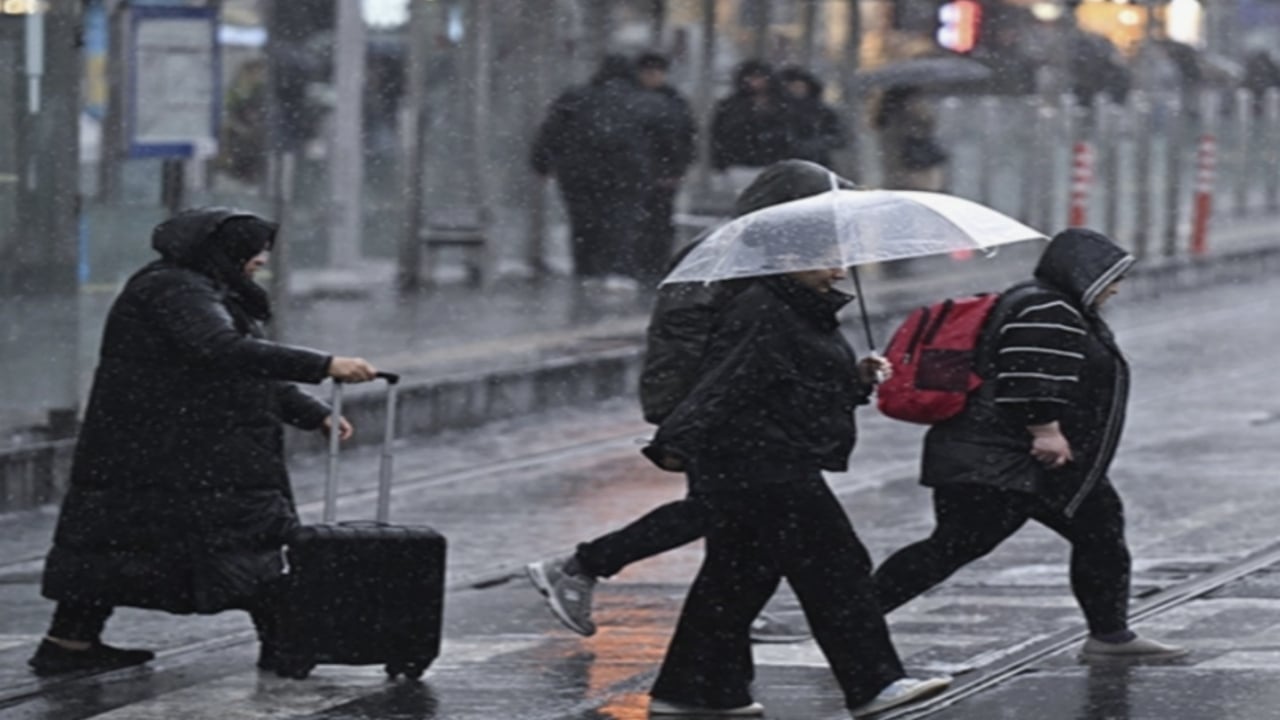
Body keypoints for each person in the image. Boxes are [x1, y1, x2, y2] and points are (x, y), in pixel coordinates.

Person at [28, 208, 380, 677]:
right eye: (253, 251)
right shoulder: (176, 289)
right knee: (241, 545)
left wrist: (309, 411)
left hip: (161, 451)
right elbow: (223, 352)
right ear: (224, 251)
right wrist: (324, 364)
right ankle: (289, 645)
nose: (260, 261)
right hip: (184, 455)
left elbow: (237, 368)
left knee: (114, 549)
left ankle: (69, 643)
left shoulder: (198, 287)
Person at [526, 160, 854, 645]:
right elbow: (690, 337)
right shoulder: (731, 255)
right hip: (713, 408)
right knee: (719, 510)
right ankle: (581, 565)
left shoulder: (761, 253)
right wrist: (688, 411)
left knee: (732, 515)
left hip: (729, 406)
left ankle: (730, 612)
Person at [639, 243, 948, 717]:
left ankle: (692, 690)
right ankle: (873, 683)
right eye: (827, 259)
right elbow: (728, 380)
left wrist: (857, 377)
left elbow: (799, 383)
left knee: (736, 577)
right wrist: (677, 440)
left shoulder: (797, 307)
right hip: (762, 461)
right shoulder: (764, 308)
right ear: (788, 258)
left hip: (764, 458)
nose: (840, 271)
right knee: (837, 567)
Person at [871, 228, 1186, 661]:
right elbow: (1028, 375)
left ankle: (1111, 636)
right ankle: (852, 621)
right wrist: (1045, 430)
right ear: (1083, 272)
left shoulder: (1045, 303)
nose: (1117, 286)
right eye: (1112, 275)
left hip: (1014, 460)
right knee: (957, 545)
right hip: (1008, 460)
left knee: (1097, 530)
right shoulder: (1047, 308)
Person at [531, 55, 665, 288]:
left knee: (584, 222)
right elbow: (665, 138)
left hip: (578, 172)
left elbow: (551, 131)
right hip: (627, 172)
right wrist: (665, 168)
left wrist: (542, 163)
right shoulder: (645, 101)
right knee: (621, 221)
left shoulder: (575, 97)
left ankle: (587, 271)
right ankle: (618, 271)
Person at [634, 51, 697, 284]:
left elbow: (685, 138)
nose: (652, 77)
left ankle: (655, 264)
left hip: (661, 172)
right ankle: (645, 264)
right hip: (644, 171)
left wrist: (676, 169)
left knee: (659, 220)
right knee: (646, 221)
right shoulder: (669, 102)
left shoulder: (672, 101)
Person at [709, 60, 792, 195]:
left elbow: (790, 132)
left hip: (773, 163)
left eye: (760, 77)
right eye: (752, 77)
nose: (756, 82)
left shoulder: (782, 104)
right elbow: (718, 135)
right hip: (740, 163)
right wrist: (721, 163)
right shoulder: (731, 106)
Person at [777, 65, 848, 168]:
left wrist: (815, 145)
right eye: (792, 87)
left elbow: (840, 137)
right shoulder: (777, 110)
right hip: (783, 163)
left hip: (818, 163)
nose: (796, 90)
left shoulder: (821, 111)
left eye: (799, 86)